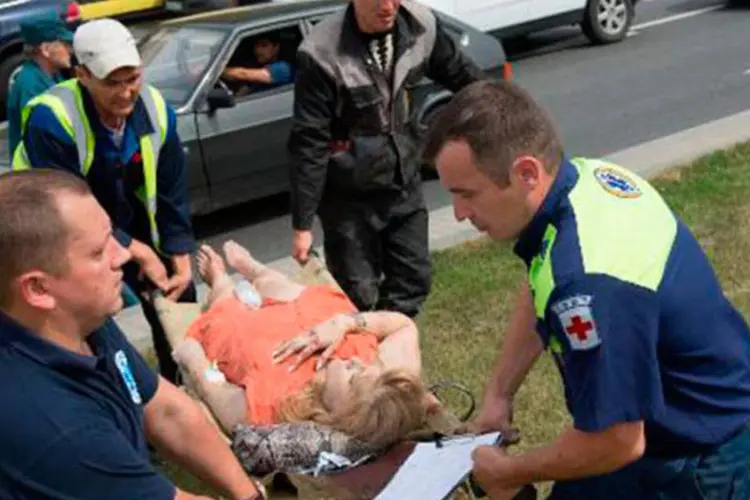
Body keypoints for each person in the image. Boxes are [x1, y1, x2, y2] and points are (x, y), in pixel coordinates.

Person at [423, 79, 750, 499]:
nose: (460, 213)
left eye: (467, 194)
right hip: (678, 424)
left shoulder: (586, 287)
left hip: (699, 462)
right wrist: (498, 394)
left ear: (526, 173)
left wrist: (508, 472)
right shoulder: (588, 180)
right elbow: (541, 276)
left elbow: (618, 441)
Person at [0, 169, 265, 500]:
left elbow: (164, 410)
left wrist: (248, 495)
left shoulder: (75, 317)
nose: (122, 255)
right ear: (38, 288)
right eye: (98, 252)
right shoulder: (54, 426)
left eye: (112, 235)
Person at [12, 18, 197, 384]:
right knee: (89, 312)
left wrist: (179, 255)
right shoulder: (52, 119)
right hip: (60, 224)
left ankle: (184, 379)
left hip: (128, 211)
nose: (127, 92)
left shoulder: (156, 108)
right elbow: (70, 209)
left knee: (177, 294)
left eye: (133, 79)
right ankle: (106, 394)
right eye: (113, 82)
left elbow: (171, 188)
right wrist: (135, 251)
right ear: (82, 75)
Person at [288, 0, 486, 319]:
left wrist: (506, 117)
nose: (388, 6)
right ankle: (367, 355)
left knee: (413, 280)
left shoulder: (421, 25)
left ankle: (390, 351)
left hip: (402, 182)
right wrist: (302, 223)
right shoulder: (320, 51)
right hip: (347, 199)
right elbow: (308, 141)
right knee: (357, 293)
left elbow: (465, 77)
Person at [171, 240, 435, 450]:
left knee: (225, 307)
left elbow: (215, 389)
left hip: (245, 334)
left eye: (353, 378)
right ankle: (255, 270)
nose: (356, 363)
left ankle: (219, 280)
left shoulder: (277, 412)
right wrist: (344, 323)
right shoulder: (386, 387)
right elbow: (403, 326)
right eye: (367, 369)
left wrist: (195, 363)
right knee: (282, 289)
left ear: (336, 414)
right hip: (317, 321)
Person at [6, 16, 73, 162]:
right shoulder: (29, 85)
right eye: (64, 44)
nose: (70, 49)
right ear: (45, 50)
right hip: (39, 173)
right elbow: (40, 139)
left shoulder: (53, 75)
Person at [221, 33, 295, 96]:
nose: (258, 50)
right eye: (256, 46)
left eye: (264, 45)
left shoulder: (283, 68)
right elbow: (243, 92)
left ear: (276, 48)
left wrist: (217, 72)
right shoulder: (259, 68)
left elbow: (243, 74)